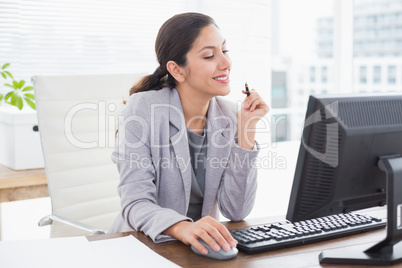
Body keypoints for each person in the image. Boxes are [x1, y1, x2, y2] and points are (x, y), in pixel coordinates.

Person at [109, 12, 269, 256]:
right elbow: (135, 203)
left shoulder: (228, 116)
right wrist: (182, 227)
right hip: (142, 248)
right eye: (209, 55)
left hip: (199, 251)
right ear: (177, 70)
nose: (225, 64)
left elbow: (236, 211)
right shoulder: (143, 109)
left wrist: (246, 132)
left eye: (225, 51)